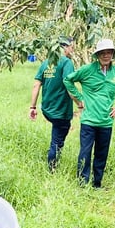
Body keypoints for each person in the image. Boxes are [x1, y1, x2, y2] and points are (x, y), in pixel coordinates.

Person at [63, 39, 115, 188]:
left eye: (109, 52)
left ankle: (97, 183)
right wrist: (79, 98)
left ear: (112, 54)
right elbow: (68, 80)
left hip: (106, 122)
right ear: (98, 54)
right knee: (85, 153)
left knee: (101, 154)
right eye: (103, 53)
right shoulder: (87, 70)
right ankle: (82, 183)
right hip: (88, 121)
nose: (106, 55)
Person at [29, 36, 76, 171]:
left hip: (47, 109)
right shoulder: (66, 63)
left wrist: (32, 107)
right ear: (65, 47)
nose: (72, 50)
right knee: (57, 140)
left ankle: (54, 159)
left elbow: (36, 85)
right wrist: (79, 102)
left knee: (58, 133)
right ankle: (52, 168)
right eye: (72, 47)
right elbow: (69, 85)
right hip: (60, 110)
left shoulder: (45, 63)